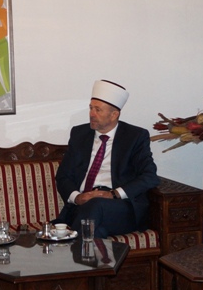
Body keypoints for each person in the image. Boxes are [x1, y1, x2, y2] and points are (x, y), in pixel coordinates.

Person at [55, 80, 160, 237]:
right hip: (83, 206)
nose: (92, 114)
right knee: (97, 231)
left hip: (120, 207)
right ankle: (88, 250)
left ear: (114, 115)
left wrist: (113, 194)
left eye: (98, 110)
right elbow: (63, 176)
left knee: (96, 205)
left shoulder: (134, 137)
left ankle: (70, 243)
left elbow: (150, 176)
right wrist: (77, 197)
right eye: (91, 108)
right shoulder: (79, 134)